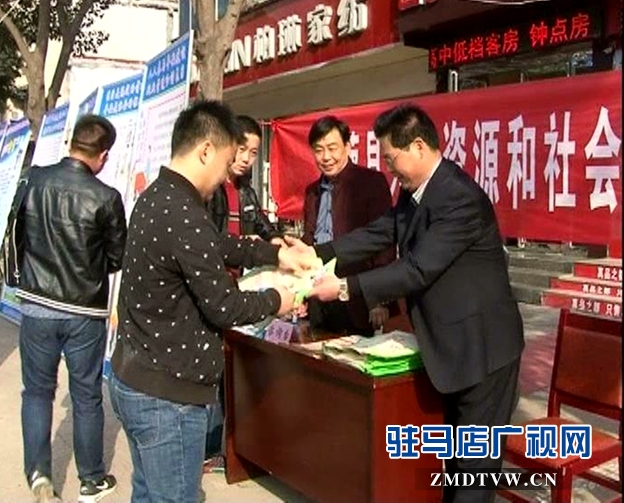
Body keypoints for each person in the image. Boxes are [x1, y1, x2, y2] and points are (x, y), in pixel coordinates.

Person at [300, 104, 525, 503]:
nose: (389, 169)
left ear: (418, 146)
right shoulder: (415, 193)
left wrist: (346, 286)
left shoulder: (459, 198)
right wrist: (318, 253)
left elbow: (417, 269)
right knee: (453, 464)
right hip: (449, 347)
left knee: (473, 474)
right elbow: (381, 231)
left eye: (391, 158)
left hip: (483, 350)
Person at [108, 100, 310, 503]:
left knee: (148, 495)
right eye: (226, 162)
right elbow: (225, 307)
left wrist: (276, 254)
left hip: (137, 377)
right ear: (205, 150)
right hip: (168, 397)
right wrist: (279, 298)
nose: (225, 177)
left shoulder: (159, 197)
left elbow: (216, 244)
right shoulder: (183, 212)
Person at [13, 114, 126, 503]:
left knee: (36, 392)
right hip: (84, 312)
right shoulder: (106, 197)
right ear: (103, 155)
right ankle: (91, 480)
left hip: (37, 306)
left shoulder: (33, 180)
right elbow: (117, 257)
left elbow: (18, 235)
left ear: (71, 142)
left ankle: (39, 474)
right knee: (86, 395)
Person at [303, 115, 398, 335]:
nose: (326, 157)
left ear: (347, 146)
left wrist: (379, 299)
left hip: (356, 297)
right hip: (319, 297)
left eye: (332, 148)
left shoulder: (370, 182)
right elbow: (310, 237)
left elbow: (384, 244)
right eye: (319, 150)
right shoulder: (312, 191)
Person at [207, 115, 282, 244]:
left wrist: (276, 240)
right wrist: (242, 242)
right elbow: (204, 236)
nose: (246, 159)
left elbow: (264, 226)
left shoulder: (248, 193)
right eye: (242, 149)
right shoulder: (209, 189)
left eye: (253, 153)